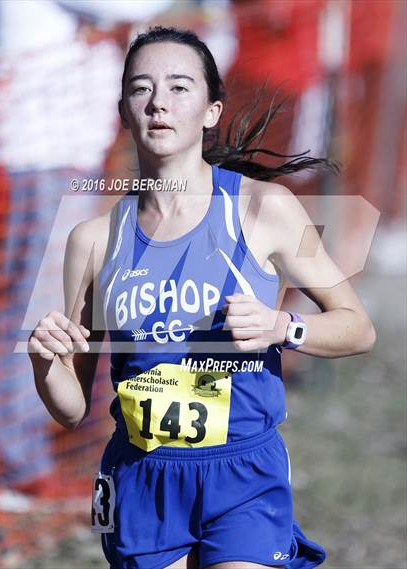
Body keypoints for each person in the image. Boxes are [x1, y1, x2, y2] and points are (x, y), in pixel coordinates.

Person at [28, 25, 376, 569]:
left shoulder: (269, 209)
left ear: (212, 111)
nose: (159, 102)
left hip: (242, 474)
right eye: (141, 88)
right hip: (142, 479)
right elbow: (72, 411)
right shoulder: (92, 241)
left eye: (179, 87)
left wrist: (283, 328)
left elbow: (358, 327)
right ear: (123, 110)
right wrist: (45, 365)